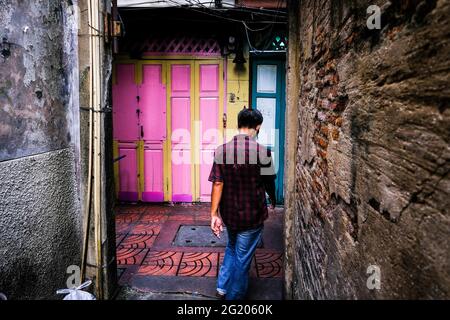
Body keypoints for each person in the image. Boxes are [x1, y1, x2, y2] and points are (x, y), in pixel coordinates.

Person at [208, 107, 276, 300]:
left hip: (229, 215)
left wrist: (214, 214)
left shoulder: (222, 150)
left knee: (231, 246)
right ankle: (234, 299)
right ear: (258, 127)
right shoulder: (263, 152)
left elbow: (218, 183)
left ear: (238, 125)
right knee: (243, 258)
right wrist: (272, 198)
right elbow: (269, 181)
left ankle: (222, 287)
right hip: (252, 216)